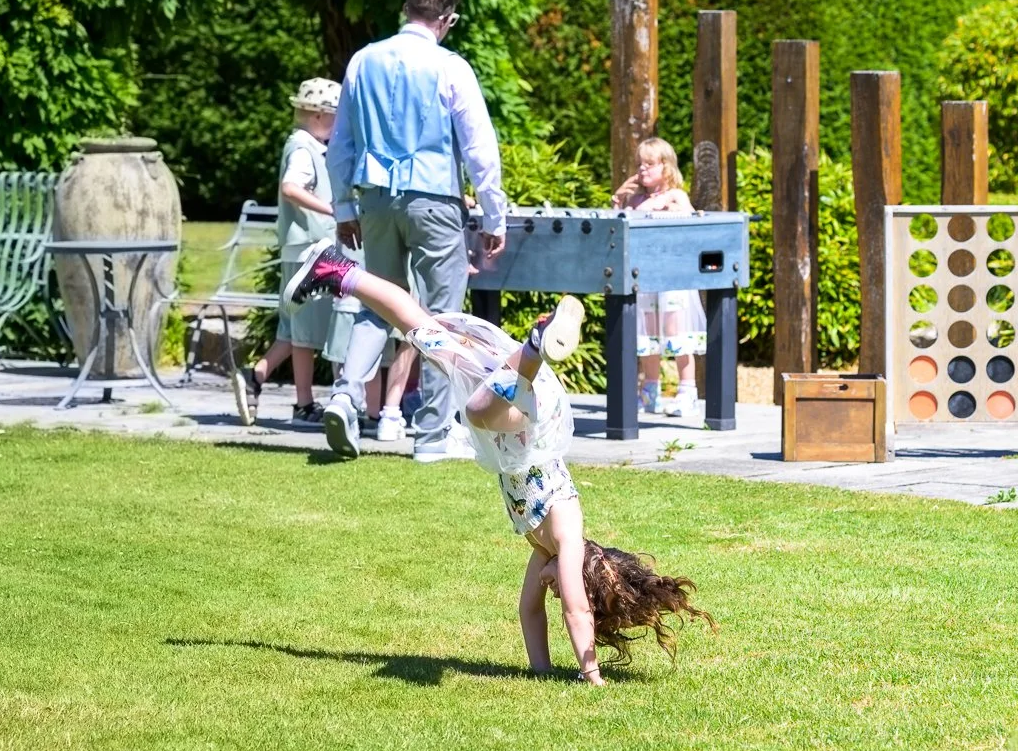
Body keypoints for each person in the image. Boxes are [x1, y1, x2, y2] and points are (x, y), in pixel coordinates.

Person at [286, 240, 713, 681]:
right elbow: (576, 611)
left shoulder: (544, 549)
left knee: (419, 329)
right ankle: (533, 349)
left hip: (516, 413)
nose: (554, 590)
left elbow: (529, 612)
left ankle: (339, 272)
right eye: (566, 585)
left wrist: (541, 671)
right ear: (584, 576)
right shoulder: (567, 538)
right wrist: (592, 674)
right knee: (476, 410)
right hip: (527, 421)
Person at [322, 0, 506, 463]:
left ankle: (345, 394)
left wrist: (344, 207)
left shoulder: (363, 60)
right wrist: (494, 216)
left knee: (376, 303)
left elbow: (340, 144)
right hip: (434, 199)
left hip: (375, 199)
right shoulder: (450, 66)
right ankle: (431, 434)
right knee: (442, 316)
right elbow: (479, 149)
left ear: (406, 8)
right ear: (447, 19)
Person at [233, 78, 353, 427]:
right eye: (335, 116)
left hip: (302, 249)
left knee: (294, 329)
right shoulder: (304, 148)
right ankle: (302, 402)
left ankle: (257, 378)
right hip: (309, 251)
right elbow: (291, 187)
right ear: (318, 116)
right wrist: (331, 210)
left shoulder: (306, 144)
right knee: (307, 331)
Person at [612, 137, 706, 417]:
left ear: (666, 166)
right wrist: (618, 199)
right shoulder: (636, 200)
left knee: (676, 332)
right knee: (647, 334)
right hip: (645, 277)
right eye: (640, 164)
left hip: (672, 276)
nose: (643, 169)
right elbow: (617, 227)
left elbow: (690, 220)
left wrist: (671, 210)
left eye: (650, 164)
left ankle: (687, 391)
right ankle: (649, 390)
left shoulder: (675, 196)